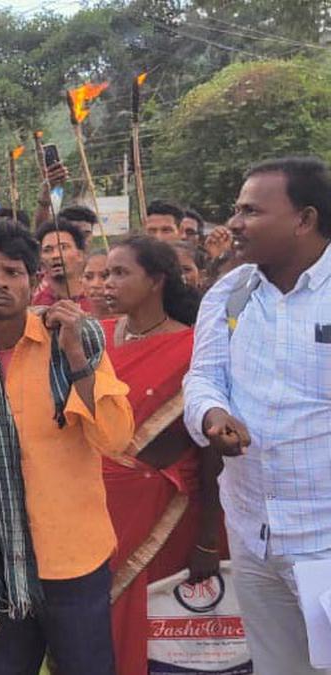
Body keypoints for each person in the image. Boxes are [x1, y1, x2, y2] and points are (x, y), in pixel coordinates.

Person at [0, 222, 134, 674]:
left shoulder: (76, 339)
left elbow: (115, 439)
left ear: (34, 279)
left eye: (12, 271)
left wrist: (77, 356)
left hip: (74, 558)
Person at [183, 157, 331, 675]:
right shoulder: (232, 292)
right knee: (280, 668)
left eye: (251, 210)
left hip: (325, 545)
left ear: (304, 219)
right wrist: (212, 416)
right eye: (236, 208)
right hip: (254, 534)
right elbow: (202, 377)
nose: (235, 223)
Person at [101, 236, 224, 674]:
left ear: (156, 281)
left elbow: (209, 449)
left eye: (120, 273)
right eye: (104, 273)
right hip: (97, 511)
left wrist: (209, 536)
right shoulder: (96, 341)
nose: (106, 284)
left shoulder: (194, 348)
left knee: (156, 625)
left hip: (163, 510)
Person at [33, 220, 92, 311]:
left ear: (80, 255)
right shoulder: (36, 304)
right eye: (47, 250)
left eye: (64, 247)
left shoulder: (97, 298)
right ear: (40, 259)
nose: (56, 255)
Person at [83, 250, 114, 318]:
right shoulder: (75, 324)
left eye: (105, 276)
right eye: (88, 277)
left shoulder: (135, 324)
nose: (95, 284)